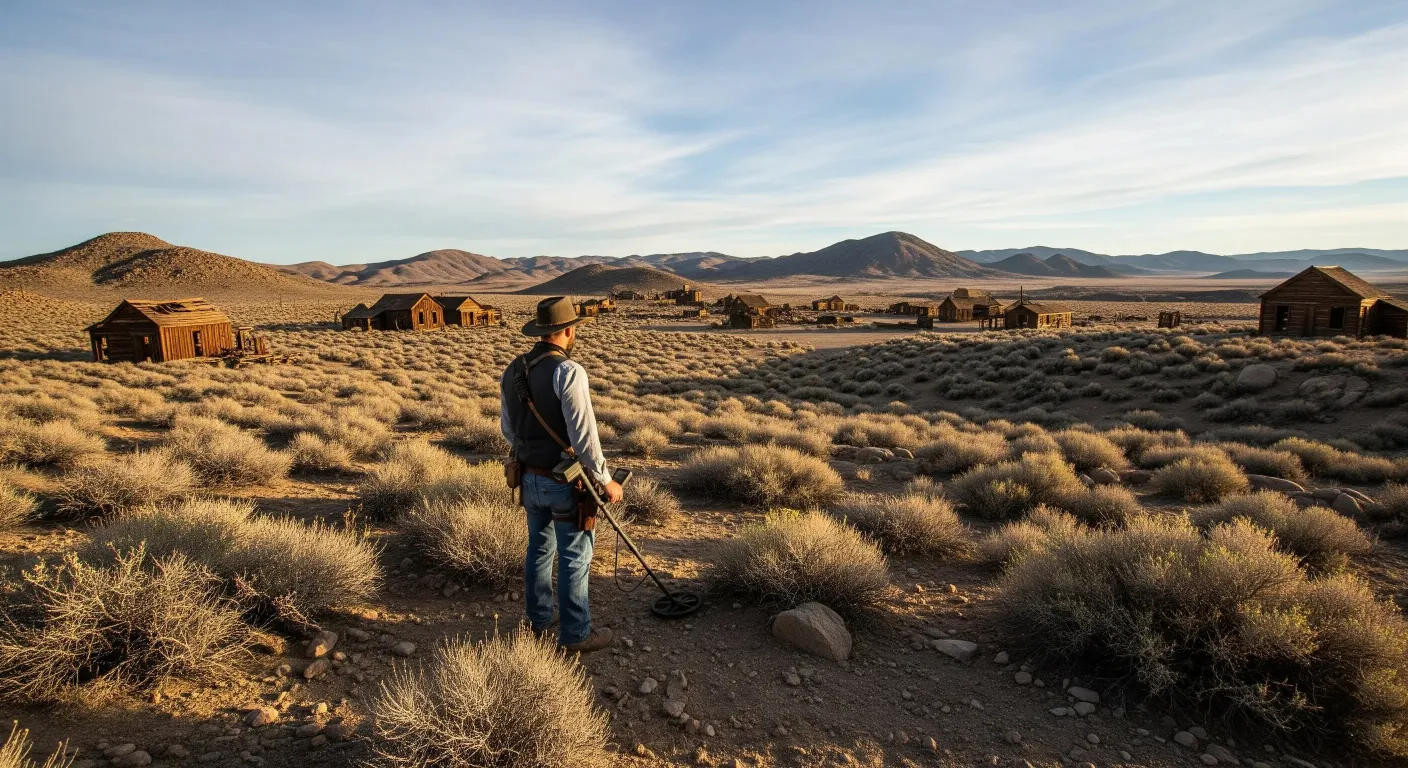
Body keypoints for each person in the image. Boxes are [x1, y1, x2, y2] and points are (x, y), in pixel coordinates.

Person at [500, 296, 621, 653]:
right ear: (568, 331)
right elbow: (584, 436)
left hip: (526, 478)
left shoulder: (513, 370)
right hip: (563, 483)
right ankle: (575, 634)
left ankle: (538, 619)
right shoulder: (569, 371)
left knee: (539, 548)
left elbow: (508, 429)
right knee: (574, 555)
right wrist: (605, 479)